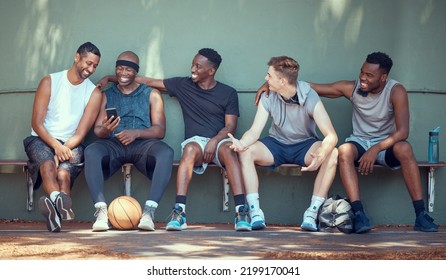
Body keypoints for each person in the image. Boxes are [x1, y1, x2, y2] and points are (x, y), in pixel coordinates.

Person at [256, 51, 438, 233]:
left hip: (384, 146)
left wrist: (376, 148)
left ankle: (421, 215)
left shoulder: (396, 91)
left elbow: (403, 132)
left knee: (405, 148)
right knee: (343, 150)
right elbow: (305, 86)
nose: (362, 78)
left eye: (369, 75)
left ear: (383, 77)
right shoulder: (351, 88)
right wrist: (270, 84)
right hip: (359, 143)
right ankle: (359, 214)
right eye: (362, 72)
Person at [97, 48, 251, 232]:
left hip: (220, 141)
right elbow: (143, 80)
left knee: (228, 150)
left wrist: (215, 140)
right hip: (195, 143)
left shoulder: (228, 92)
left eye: (198, 66)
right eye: (193, 64)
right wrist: (110, 77)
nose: (192, 69)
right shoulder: (182, 85)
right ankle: (179, 212)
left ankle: (242, 211)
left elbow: (230, 126)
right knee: (190, 149)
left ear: (211, 71)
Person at [230, 56, 338, 231]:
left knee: (332, 153)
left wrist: (322, 152)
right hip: (276, 144)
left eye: (269, 76)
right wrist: (241, 143)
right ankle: (255, 211)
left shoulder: (310, 96)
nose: (266, 79)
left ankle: (312, 212)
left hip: (304, 145)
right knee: (246, 151)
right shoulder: (269, 94)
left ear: (281, 81)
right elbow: (255, 131)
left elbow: (331, 135)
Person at [85, 51, 174, 232]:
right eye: (119, 68)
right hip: (114, 144)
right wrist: (107, 129)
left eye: (128, 69)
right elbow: (97, 131)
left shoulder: (152, 94)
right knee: (91, 151)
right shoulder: (106, 94)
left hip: (142, 144)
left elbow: (160, 130)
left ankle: (149, 212)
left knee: (166, 152)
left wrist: (137, 133)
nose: (123, 73)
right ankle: (101, 212)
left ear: (136, 72)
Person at [23, 42, 103, 232]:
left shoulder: (94, 93)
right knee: (48, 165)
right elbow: (37, 123)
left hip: (72, 143)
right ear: (77, 57)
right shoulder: (50, 81)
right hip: (41, 139)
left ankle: (55, 216)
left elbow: (81, 133)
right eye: (88, 63)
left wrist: (63, 148)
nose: (90, 69)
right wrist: (56, 147)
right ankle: (60, 205)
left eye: (95, 66)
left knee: (63, 174)